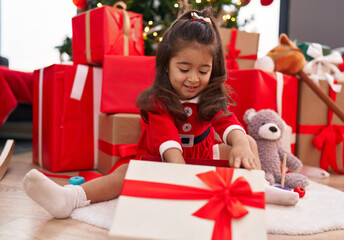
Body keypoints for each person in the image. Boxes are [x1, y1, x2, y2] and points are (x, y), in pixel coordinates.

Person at [23, 9, 299, 219]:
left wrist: (239, 143)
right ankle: (70, 198)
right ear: (166, 66)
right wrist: (176, 171)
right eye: (184, 68)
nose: (193, 79)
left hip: (199, 158)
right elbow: (167, 139)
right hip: (161, 159)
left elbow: (227, 121)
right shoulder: (158, 100)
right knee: (123, 174)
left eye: (203, 71)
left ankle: (260, 187)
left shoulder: (212, 96)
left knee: (247, 143)